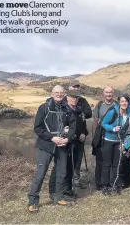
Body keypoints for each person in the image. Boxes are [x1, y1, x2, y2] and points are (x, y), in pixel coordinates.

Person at [27, 85, 76, 213]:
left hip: (62, 145)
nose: (59, 94)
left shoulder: (67, 109)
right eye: (56, 92)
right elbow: (38, 128)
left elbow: (72, 127)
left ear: (64, 94)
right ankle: (33, 201)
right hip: (46, 145)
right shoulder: (44, 108)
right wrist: (52, 138)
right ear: (52, 93)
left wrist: (67, 139)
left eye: (61, 92)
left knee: (61, 172)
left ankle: (57, 196)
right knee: (41, 173)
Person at [58, 90, 89, 199]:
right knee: (66, 167)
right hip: (67, 143)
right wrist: (65, 138)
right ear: (67, 98)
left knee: (74, 166)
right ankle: (64, 190)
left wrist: (84, 133)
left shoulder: (80, 111)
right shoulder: (63, 111)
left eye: (76, 98)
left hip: (78, 143)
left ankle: (69, 189)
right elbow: (61, 128)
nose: (74, 100)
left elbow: (84, 126)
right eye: (72, 98)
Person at [100, 94, 130, 195]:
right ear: (119, 102)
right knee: (107, 164)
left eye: (126, 101)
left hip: (119, 141)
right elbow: (103, 123)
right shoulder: (113, 111)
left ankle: (114, 184)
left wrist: (126, 143)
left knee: (117, 164)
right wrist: (113, 129)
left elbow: (129, 129)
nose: (124, 103)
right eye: (122, 101)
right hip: (109, 140)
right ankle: (105, 185)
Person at [63, 82, 92, 189]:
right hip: (67, 136)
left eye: (77, 88)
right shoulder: (64, 101)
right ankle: (66, 182)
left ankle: (76, 180)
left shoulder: (82, 100)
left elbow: (89, 113)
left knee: (78, 159)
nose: (75, 89)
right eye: (73, 88)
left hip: (80, 135)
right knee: (67, 159)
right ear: (69, 88)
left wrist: (84, 132)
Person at [93, 86, 117, 190]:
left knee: (111, 161)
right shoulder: (99, 105)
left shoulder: (117, 105)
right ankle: (99, 183)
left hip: (113, 136)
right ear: (104, 93)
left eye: (110, 92)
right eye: (107, 92)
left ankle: (110, 182)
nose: (108, 94)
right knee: (100, 160)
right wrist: (95, 137)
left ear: (113, 93)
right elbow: (95, 121)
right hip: (101, 136)